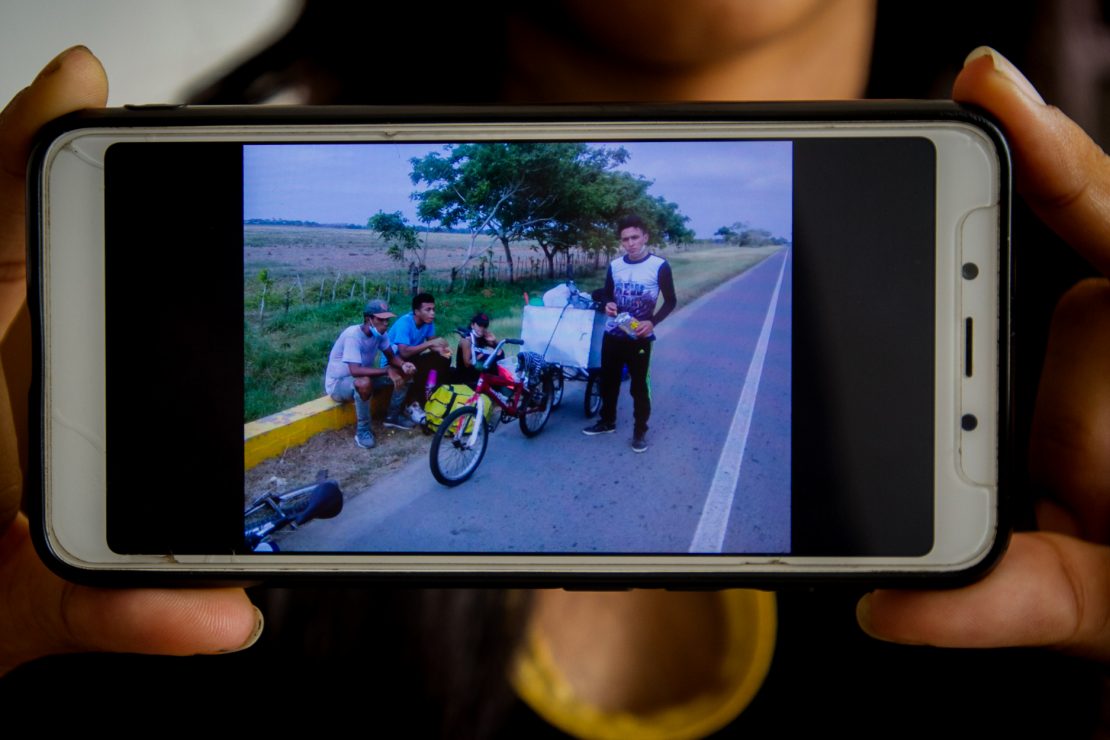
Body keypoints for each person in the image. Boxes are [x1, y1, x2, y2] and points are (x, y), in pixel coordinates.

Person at [3, 7, 1110, 732]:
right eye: (623, 242)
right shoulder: (158, 266)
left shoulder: (1074, 325)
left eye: (633, 243)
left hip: (611, 361)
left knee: (619, 390)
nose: (629, 248)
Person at [582, 214, 677, 453]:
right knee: (608, 382)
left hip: (639, 339)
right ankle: (607, 421)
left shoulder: (659, 266)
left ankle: (639, 431)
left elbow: (670, 301)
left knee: (638, 388)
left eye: (635, 237)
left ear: (645, 237)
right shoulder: (615, 265)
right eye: (625, 239)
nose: (630, 243)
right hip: (613, 334)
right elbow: (606, 293)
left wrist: (652, 322)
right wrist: (608, 304)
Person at [325, 299, 416, 449]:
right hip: (339, 384)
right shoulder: (353, 335)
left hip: (363, 376)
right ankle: (363, 431)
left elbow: (392, 357)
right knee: (364, 382)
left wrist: (403, 365)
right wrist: (387, 370)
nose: (386, 323)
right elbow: (355, 370)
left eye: (387, 320)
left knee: (405, 374)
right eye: (381, 319)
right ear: (369, 319)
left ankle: (393, 417)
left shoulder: (381, 334)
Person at [380, 292, 452, 428]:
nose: (432, 314)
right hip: (394, 362)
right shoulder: (405, 323)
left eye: (433, 309)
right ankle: (405, 408)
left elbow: (432, 343)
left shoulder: (428, 322)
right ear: (416, 311)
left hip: (412, 359)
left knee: (443, 359)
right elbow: (404, 352)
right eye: (428, 310)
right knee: (414, 367)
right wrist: (430, 344)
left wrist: (442, 350)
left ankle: (430, 394)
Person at [454, 312, 504, 388]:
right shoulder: (466, 340)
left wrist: (494, 341)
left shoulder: (482, 338)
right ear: (472, 325)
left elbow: (500, 353)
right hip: (465, 376)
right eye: (480, 325)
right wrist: (478, 359)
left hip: (477, 373)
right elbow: (467, 364)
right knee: (488, 361)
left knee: (495, 360)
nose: (482, 328)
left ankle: (499, 389)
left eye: (484, 326)